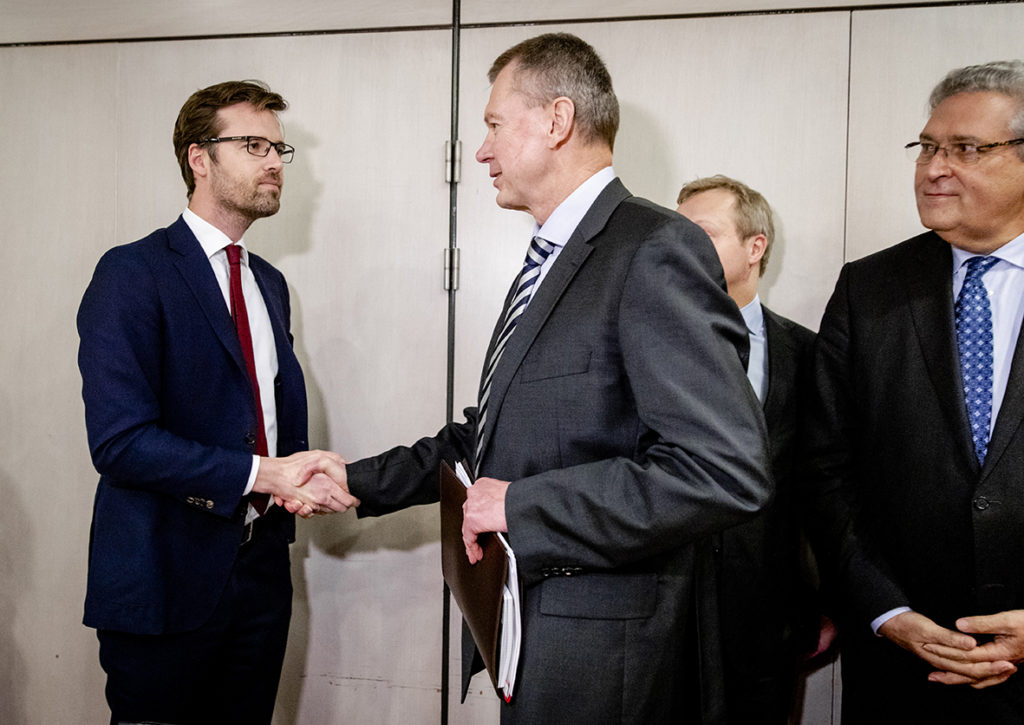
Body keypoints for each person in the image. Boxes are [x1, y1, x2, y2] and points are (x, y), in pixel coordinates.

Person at [334, 33, 770, 723]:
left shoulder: (654, 248)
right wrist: (353, 480)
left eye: (493, 125)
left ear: (557, 121)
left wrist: (523, 506)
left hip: (606, 660)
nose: (481, 150)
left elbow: (721, 469)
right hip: (535, 634)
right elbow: (491, 434)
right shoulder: (549, 263)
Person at [77, 80, 358, 724]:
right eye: (254, 144)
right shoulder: (131, 272)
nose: (273, 164)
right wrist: (264, 473)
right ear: (198, 158)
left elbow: (250, 416)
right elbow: (119, 442)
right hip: (162, 580)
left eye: (279, 150)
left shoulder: (269, 284)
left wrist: (292, 484)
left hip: (260, 576)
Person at [805, 59, 1024, 723]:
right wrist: (887, 611)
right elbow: (823, 471)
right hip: (904, 670)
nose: (933, 168)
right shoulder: (869, 290)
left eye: (966, 149)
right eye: (927, 147)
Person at [677, 175, 820, 723]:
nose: (682, 245)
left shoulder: (809, 353)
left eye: (702, 232)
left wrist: (823, 604)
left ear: (755, 246)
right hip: (663, 615)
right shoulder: (643, 341)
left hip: (765, 621)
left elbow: (819, 488)